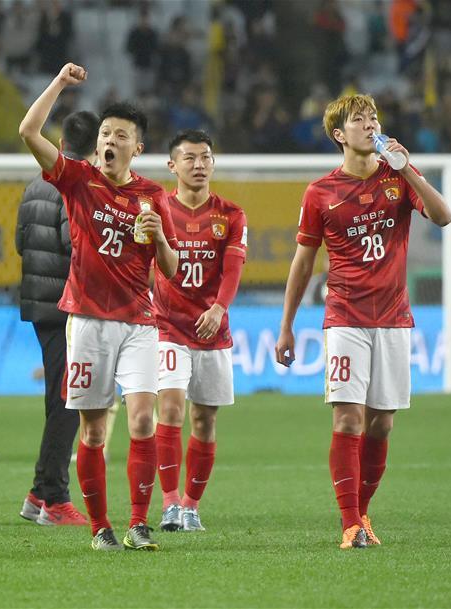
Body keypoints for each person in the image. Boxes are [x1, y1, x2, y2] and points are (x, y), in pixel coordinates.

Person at [275, 94, 451, 550]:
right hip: (345, 317)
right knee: (350, 417)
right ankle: (349, 524)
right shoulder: (320, 192)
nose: (371, 125)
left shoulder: (397, 178)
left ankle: (363, 513)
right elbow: (302, 261)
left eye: (374, 117)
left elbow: (443, 216)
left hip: (393, 318)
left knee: (382, 424)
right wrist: (287, 324)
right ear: (340, 135)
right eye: (360, 120)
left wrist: (408, 168)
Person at [19, 62, 179, 551]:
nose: (111, 140)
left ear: (138, 147)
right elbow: (28, 130)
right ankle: (99, 527)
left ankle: (138, 523)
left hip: (138, 323)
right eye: (106, 132)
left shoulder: (152, 195)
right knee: (92, 429)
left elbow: (170, 270)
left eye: (121, 134)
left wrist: (159, 242)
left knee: (144, 420)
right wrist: (60, 85)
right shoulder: (77, 180)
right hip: (87, 322)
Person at [154, 129, 247, 533]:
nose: (198, 165)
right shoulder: (156, 210)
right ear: (172, 165)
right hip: (167, 325)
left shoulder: (231, 215)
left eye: (205, 157)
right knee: (171, 409)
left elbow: (233, 268)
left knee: (205, 421)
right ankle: (170, 502)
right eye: (189, 158)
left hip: (212, 331)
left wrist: (219, 307)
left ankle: (192, 505)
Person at [16, 110, 99, 527]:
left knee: (60, 398)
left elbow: (20, 242)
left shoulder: (35, 183)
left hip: (38, 303)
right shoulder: (78, 184)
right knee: (69, 401)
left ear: (62, 141)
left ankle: (36, 494)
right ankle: (55, 500)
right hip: (68, 306)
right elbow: (75, 242)